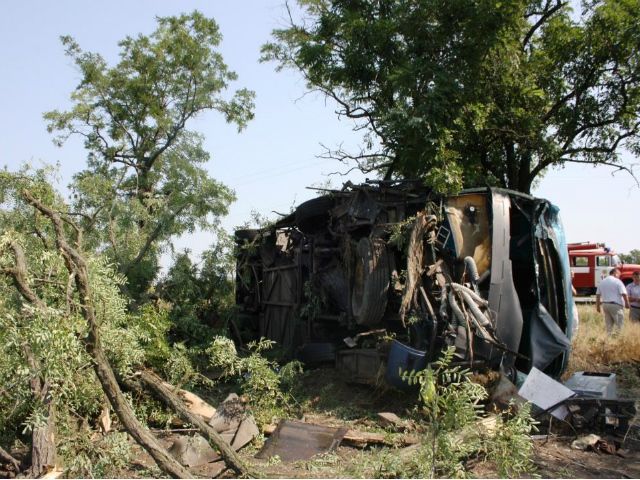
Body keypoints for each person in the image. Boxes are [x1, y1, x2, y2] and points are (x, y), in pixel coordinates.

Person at [596, 268, 630, 335]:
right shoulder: (617, 281)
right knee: (619, 325)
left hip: (605, 305)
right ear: (615, 273)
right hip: (615, 305)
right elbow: (624, 293)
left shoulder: (602, 281)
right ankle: (619, 339)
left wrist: (598, 307)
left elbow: (598, 295)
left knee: (609, 325)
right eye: (619, 275)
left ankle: (609, 339)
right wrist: (627, 303)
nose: (619, 276)